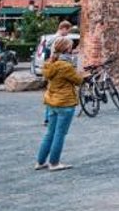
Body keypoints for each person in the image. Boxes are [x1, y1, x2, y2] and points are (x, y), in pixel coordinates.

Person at [35, 37, 86, 171]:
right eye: (70, 47)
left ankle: (40, 162)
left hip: (52, 102)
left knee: (50, 133)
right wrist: (83, 74)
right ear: (66, 49)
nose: (72, 49)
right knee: (60, 134)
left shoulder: (50, 63)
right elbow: (78, 81)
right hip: (65, 103)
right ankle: (54, 162)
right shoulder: (65, 66)